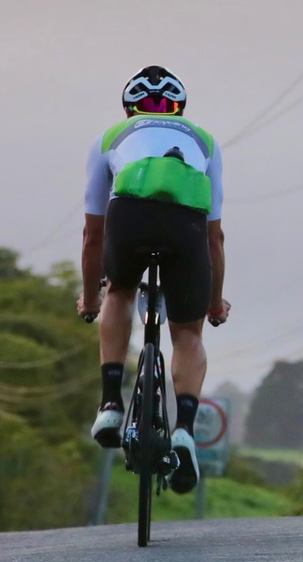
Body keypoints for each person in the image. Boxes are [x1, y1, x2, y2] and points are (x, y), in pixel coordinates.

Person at [77, 65, 230, 495]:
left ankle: (109, 405)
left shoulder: (109, 138)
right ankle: (182, 430)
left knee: (120, 292)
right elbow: (215, 237)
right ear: (181, 108)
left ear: (129, 109)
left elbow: (93, 234)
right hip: (188, 226)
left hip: (129, 219)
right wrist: (215, 303)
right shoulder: (206, 141)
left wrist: (92, 299)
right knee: (187, 332)